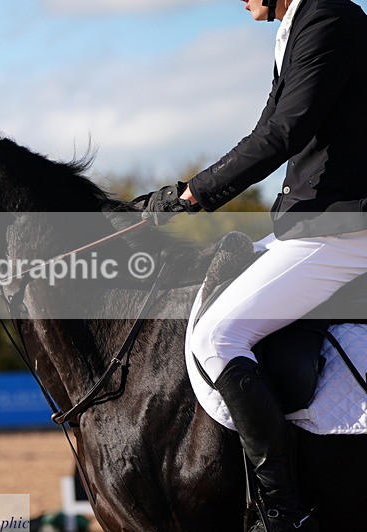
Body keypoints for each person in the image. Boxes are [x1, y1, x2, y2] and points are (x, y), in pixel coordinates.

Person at [143, 0, 367, 530]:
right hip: (314, 223)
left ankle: (282, 511)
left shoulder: (329, 18)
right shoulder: (300, 24)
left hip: (344, 229)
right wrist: (184, 193)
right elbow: (269, 126)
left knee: (215, 338)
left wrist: (194, 194)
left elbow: (282, 134)